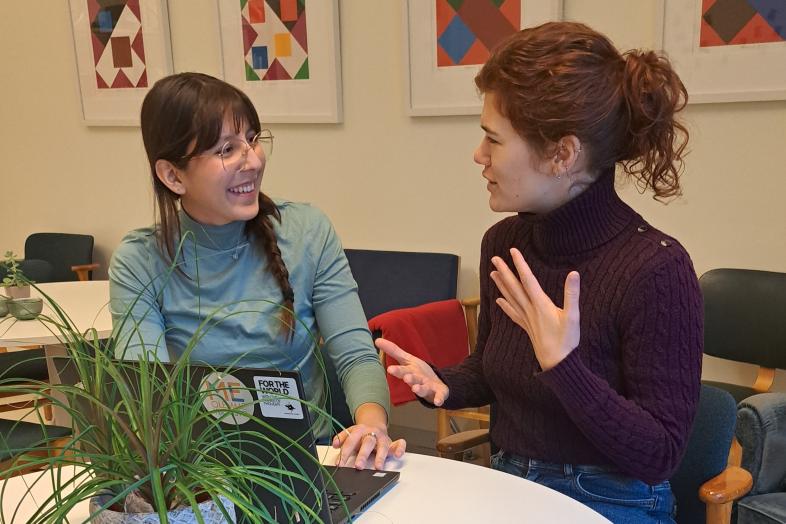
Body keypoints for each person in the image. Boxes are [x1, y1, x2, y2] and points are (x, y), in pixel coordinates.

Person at [378, 21, 702, 522]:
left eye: (494, 140)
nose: (478, 155)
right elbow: (494, 367)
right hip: (507, 482)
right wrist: (440, 381)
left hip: (614, 499)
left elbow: (659, 455)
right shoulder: (504, 243)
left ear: (562, 154)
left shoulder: (657, 270)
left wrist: (565, 366)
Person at [108, 72, 405, 470]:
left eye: (252, 139)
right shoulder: (140, 259)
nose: (252, 160)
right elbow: (146, 397)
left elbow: (354, 353)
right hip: (198, 471)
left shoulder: (307, 231)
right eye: (227, 149)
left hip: (306, 460)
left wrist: (371, 426)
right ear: (173, 176)